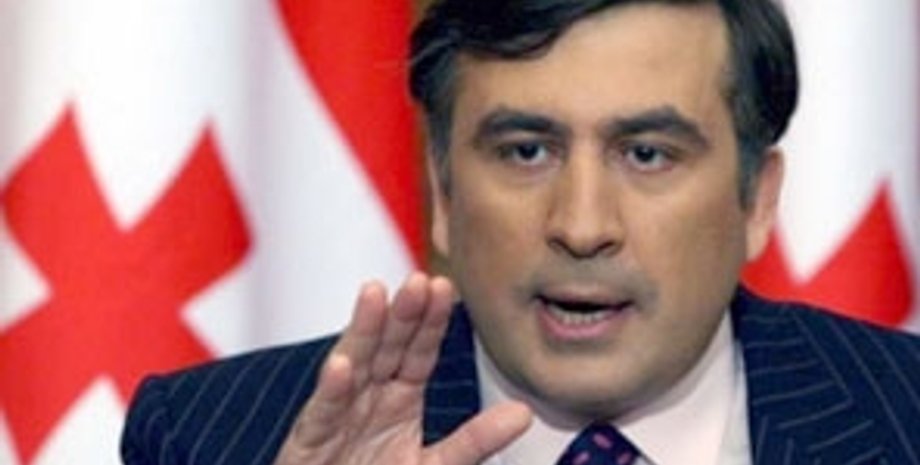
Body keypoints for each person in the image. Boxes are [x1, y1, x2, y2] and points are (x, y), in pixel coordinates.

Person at [121, 0, 920, 464]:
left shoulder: (904, 415)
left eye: (646, 154)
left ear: (757, 200)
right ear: (443, 190)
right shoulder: (210, 437)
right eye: (526, 151)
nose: (582, 226)